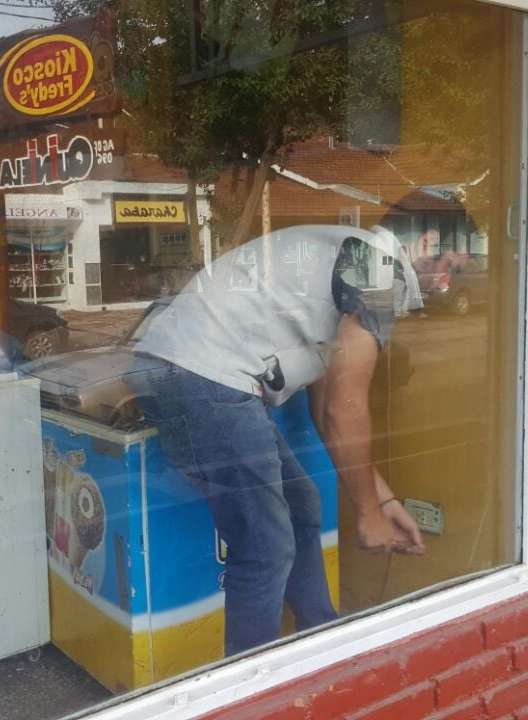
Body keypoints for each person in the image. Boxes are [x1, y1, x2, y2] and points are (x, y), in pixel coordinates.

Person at [134, 224, 426, 656]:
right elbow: (345, 408)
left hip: (190, 370)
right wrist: (367, 513)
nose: (452, 273)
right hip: (210, 376)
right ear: (423, 244)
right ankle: (251, 691)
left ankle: (320, 636)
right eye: (452, 260)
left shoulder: (349, 260)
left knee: (300, 505)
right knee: (264, 547)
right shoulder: (378, 265)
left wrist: (382, 503)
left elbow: (328, 414)